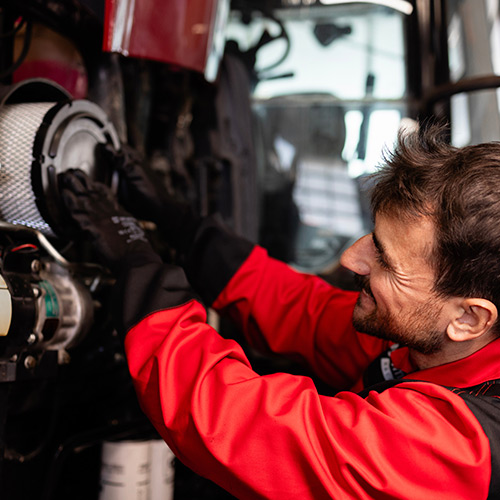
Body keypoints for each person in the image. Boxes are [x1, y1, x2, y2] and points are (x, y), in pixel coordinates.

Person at [59, 123, 500, 499]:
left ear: (469, 319)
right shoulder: (437, 337)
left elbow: (243, 428)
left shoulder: (459, 452)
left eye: (385, 258)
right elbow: (305, 314)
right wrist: (183, 226)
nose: (351, 258)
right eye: (372, 235)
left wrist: (140, 270)